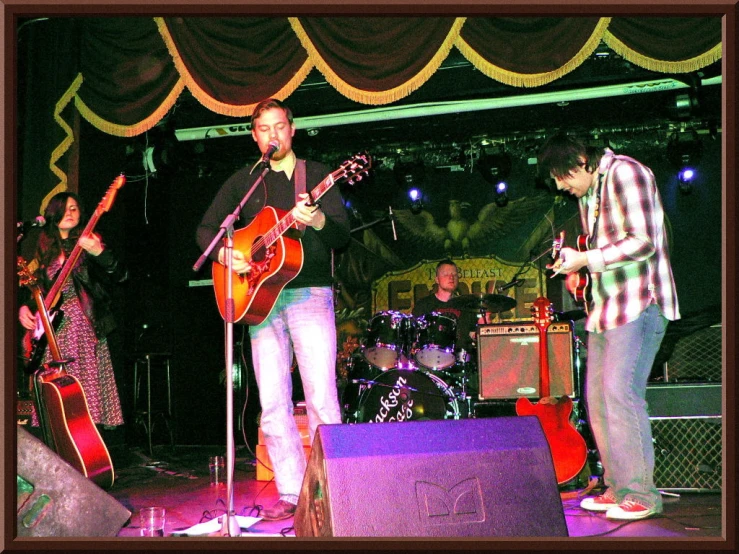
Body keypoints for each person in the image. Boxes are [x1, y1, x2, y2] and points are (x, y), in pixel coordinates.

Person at [196, 98, 350, 521]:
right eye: (264, 129)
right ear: (254, 135)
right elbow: (206, 230)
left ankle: (335, 490)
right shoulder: (244, 180)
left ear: (292, 129)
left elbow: (341, 236)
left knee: (321, 396)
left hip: (310, 294)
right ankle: (290, 494)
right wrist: (229, 254)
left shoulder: (316, 175)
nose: (273, 135)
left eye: (279, 126)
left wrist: (317, 220)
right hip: (259, 302)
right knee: (274, 403)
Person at [538, 133, 680, 521]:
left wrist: (585, 260)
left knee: (621, 395)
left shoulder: (626, 173)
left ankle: (642, 494)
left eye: (561, 175)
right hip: (605, 310)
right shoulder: (589, 195)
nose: (559, 185)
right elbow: (600, 255)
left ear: (583, 160)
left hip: (639, 304)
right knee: (597, 402)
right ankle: (618, 487)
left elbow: (644, 242)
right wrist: (578, 272)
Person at [18, 192, 127, 429]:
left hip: (83, 325)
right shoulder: (45, 249)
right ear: (53, 213)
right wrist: (25, 307)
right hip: (53, 328)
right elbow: (40, 289)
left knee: (83, 390)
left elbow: (120, 276)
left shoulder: (90, 242)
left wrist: (101, 254)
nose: (70, 212)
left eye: (75, 208)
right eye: (65, 208)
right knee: (56, 392)